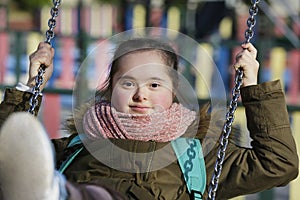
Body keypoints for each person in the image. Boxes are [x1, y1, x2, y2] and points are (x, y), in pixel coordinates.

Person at [0, 37, 298, 200]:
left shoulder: (198, 156)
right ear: (110, 90)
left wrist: (252, 87)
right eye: (128, 83)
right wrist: (29, 87)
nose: (141, 95)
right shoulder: (75, 148)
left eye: (154, 84)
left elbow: (278, 165)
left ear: (174, 92)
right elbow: (4, 159)